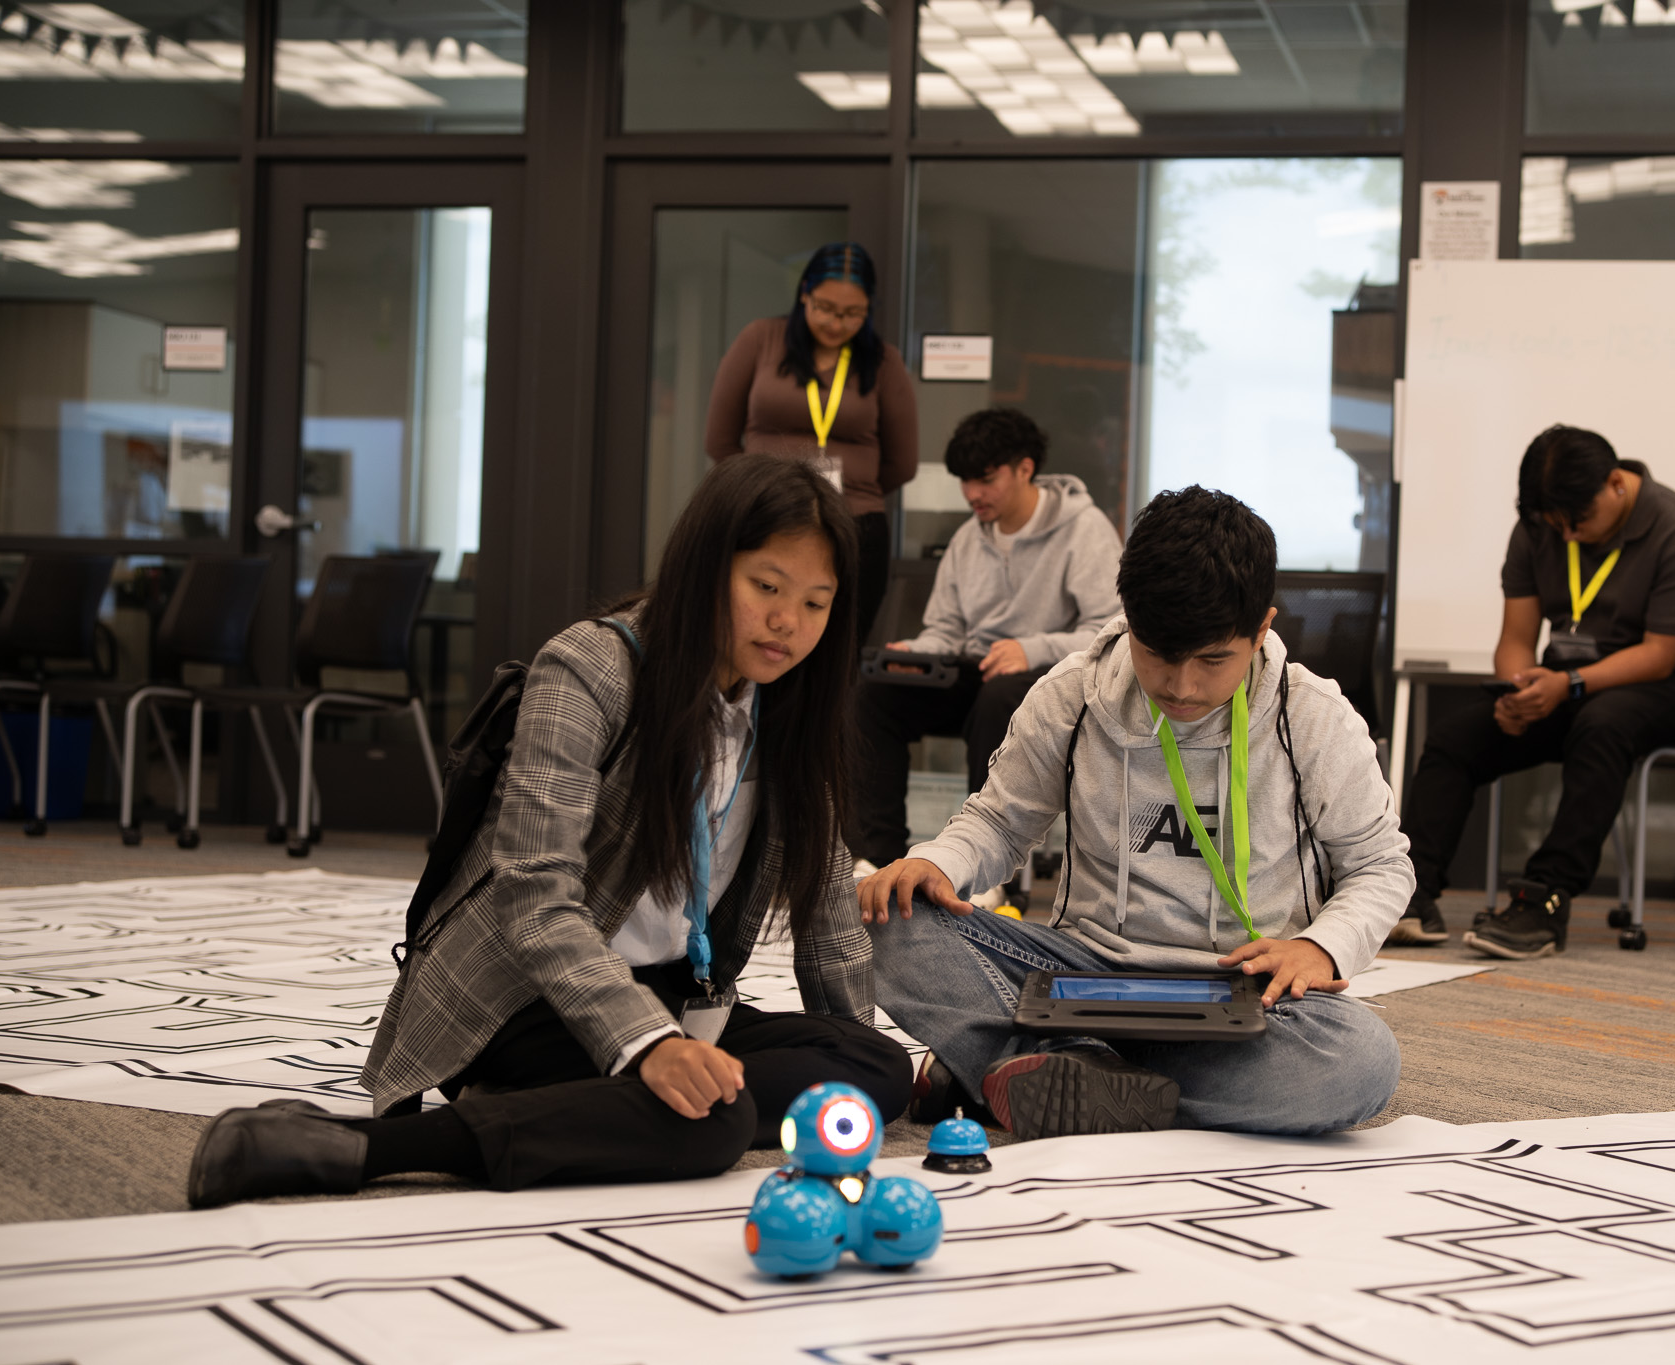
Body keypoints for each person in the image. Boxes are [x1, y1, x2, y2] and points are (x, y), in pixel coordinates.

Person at [186, 458, 909, 1207]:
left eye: (816, 602)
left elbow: (827, 913)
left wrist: (853, 1063)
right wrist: (650, 1044)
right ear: (705, 566)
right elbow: (534, 894)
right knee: (713, 1122)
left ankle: (593, 1100)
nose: (789, 621)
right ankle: (361, 1147)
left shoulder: (788, 707)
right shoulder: (592, 667)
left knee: (874, 1068)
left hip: (672, 990)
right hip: (525, 993)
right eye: (767, 586)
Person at [859, 486, 1408, 1142]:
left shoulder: (1312, 717)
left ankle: (1027, 1068)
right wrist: (936, 862)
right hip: (1078, 977)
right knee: (878, 916)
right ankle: (1070, 1067)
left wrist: (1320, 945)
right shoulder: (1071, 695)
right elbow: (999, 821)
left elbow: (1380, 866)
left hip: (1237, 990)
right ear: (1128, 617)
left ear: (1262, 628)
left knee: (1359, 1064)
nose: (1181, 685)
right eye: (1159, 656)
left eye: (1211, 660)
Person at [1390, 424, 1675, 960]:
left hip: (1665, 690)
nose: (1566, 537)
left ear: (1616, 484)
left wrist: (1569, 685)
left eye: (1578, 523)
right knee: (1455, 738)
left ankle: (1543, 900)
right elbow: (1516, 638)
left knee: (1603, 723)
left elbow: (1661, 654)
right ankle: (1410, 897)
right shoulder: (1540, 525)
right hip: (1566, 686)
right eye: (1553, 525)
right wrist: (1517, 692)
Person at [850, 407, 1122, 876]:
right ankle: (880, 856)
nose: (972, 494)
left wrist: (1030, 649)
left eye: (985, 479)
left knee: (1002, 694)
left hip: (1049, 680)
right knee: (875, 693)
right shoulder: (966, 539)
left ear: (1025, 468)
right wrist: (912, 655)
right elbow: (947, 631)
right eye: (964, 481)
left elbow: (1110, 629)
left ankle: (987, 869)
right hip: (976, 672)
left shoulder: (1085, 528)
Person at [707, 242, 917, 649]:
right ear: (804, 293)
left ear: (868, 308)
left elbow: (901, 463)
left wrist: (841, 497)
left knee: (837, 653)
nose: (836, 323)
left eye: (852, 313)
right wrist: (759, 492)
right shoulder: (760, 340)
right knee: (755, 637)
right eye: (824, 307)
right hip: (763, 515)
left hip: (854, 523)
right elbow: (719, 439)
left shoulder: (884, 363)